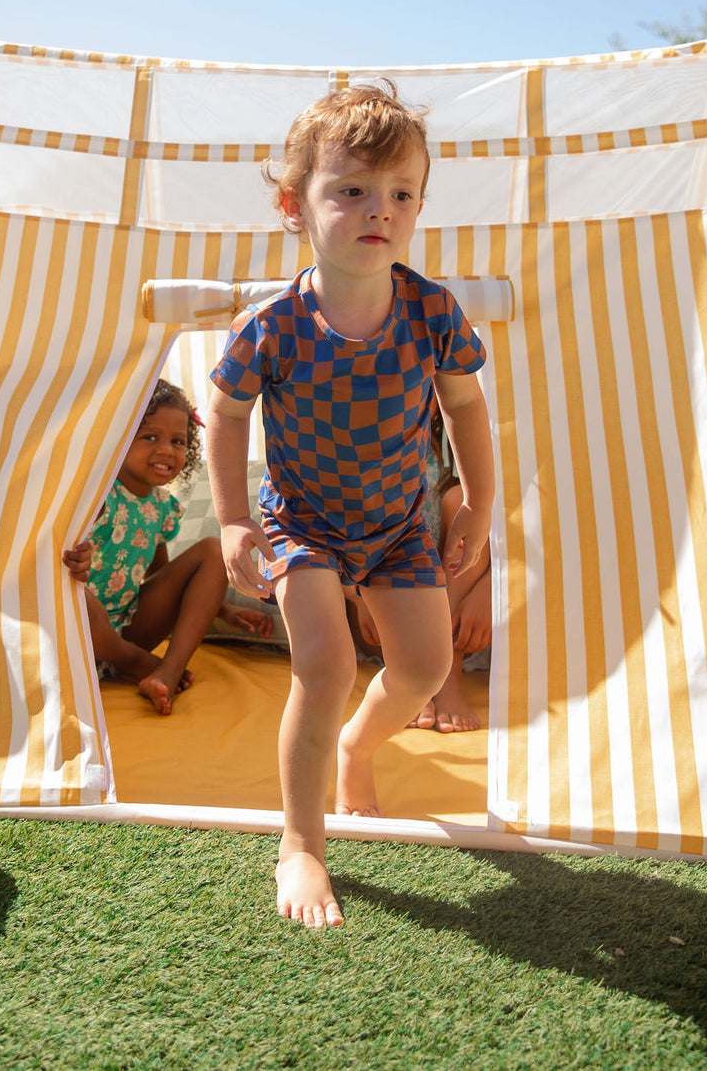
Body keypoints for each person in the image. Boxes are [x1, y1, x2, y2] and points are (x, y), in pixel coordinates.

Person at [205, 82, 494, 927]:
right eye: (353, 191)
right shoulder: (273, 326)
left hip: (403, 522)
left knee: (424, 670)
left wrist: (475, 499)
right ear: (295, 207)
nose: (382, 210)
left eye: (402, 194)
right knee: (325, 668)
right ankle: (301, 842)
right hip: (305, 523)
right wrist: (232, 519)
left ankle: (357, 750)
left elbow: (466, 408)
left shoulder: (432, 309)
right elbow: (224, 418)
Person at [63, 378, 272, 716]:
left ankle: (166, 672)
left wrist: (222, 610)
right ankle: (135, 663)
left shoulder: (162, 507)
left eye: (178, 441)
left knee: (212, 549)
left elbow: (160, 576)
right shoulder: (98, 498)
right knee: (76, 599)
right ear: (117, 438)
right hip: (80, 635)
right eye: (150, 437)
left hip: (131, 627)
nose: (167, 450)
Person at [347, 403, 493, 732]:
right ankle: (408, 675)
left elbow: (513, 537)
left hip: (452, 612)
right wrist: (358, 598)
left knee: (461, 501)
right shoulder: (362, 450)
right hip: (377, 610)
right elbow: (331, 539)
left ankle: (447, 677)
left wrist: (491, 588)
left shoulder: (463, 451)